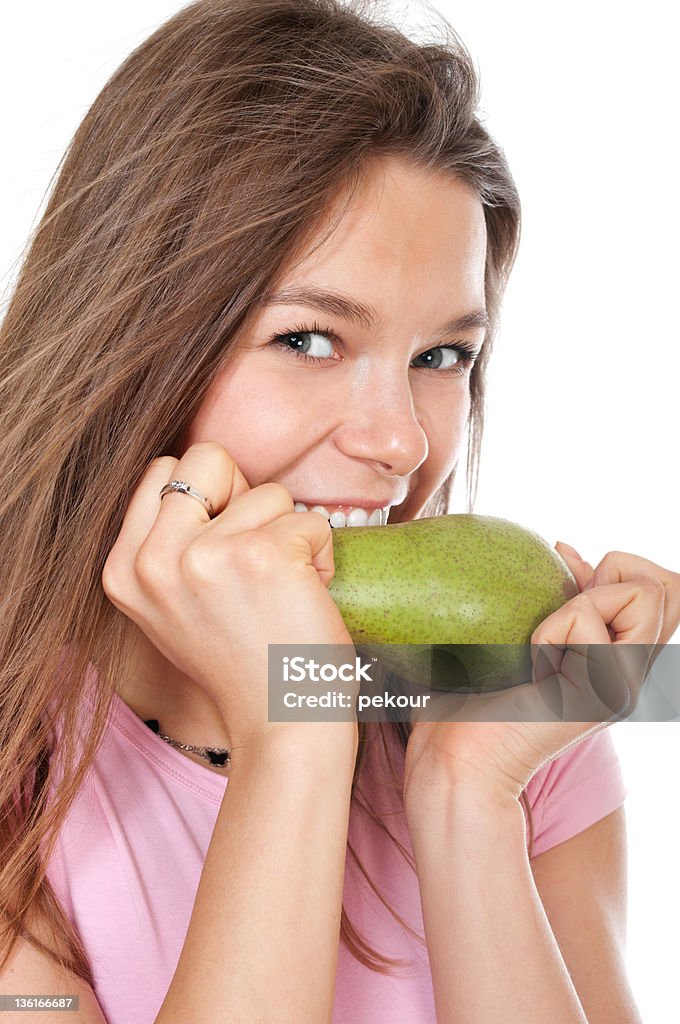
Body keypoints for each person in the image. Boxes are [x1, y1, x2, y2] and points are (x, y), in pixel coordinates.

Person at [0, 0, 677, 1021]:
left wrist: (464, 801)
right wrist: (293, 735)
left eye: (441, 356)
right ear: (128, 346)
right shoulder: (23, 779)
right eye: (310, 339)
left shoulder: (522, 731)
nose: (401, 443)